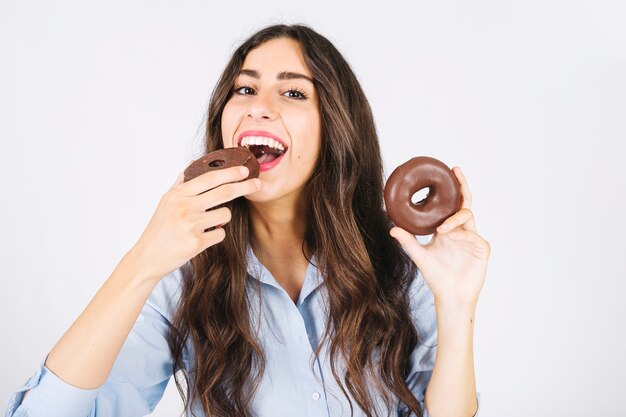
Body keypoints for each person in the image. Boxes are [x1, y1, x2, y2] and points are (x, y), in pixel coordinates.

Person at [5, 24, 489, 417]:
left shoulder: (401, 261)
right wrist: (142, 262)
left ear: (336, 126)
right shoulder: (184, 276)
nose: (260, 105)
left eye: (293, 93)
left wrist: (456, 305)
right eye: (245, 87)